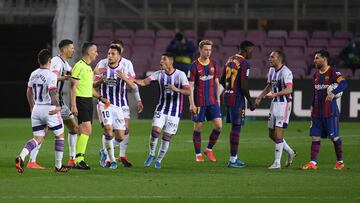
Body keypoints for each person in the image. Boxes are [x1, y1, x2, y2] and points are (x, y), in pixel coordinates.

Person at [26, 39, 79, 169]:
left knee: (73, 128)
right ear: (65, 49)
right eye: (71, 48)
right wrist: (65, 78)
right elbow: (52, 77)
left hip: (57, 101)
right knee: (46, 132)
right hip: (53, 102)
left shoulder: (64, 63)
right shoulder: (55, 62)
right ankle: (33, 161)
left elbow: (71, 73)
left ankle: (72, 159)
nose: (73, 50)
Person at [15, 49, 70, 173]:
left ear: (38, 61)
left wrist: (31, 106)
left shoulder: (33, 73)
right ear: (50, 60)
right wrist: (57, 106)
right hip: (49, 109)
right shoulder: (51, 75)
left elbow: (28, 91)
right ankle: (58, 166)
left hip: (37, 109)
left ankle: (21, 156)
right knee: (60, 136)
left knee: (38, 138)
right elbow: (52, 91)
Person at [134, 53, 190, 169]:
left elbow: (188, 92)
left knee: (166, 138)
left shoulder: (181, 75)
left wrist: (176, 89)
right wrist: (129, 79)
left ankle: (158, 160)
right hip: (161, 109)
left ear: (171, 61)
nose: (161, 61)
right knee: (155, 133)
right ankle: (151, 154)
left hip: (174, 113)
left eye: (164, 59)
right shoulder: (158, 74)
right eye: (160, 59)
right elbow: (144, 82)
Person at [94, 40, 143, 168]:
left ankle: (105, 151)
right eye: (108, 53)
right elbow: (92, 84)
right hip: (104, 104)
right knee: (108, 129)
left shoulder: (126, 65)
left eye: (113, 53)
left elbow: (133, 85)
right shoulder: (102, 65)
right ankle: (111, 160)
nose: (110, 56)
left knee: (121, 134)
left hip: (121, 104)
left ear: (120, 54)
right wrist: (100, 81)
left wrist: (124, 78)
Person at [302, 49, 348, 170]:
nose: (314, 60)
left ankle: (340, 162)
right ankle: (313, 162)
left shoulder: (333, 72)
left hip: (330, 112)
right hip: (317, 111)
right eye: (315, 58)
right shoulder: (316, 74)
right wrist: (312, 105)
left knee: (334, 137)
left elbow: (344, 84)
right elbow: (316, 91)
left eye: (317, 58)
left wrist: (333, 92)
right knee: (315, 136)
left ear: (324, 59)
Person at [70, 42, 109, 170]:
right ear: (88, 52)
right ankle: (79, 159)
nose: (97, 53)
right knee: (87, 130)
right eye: (95, 51)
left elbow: (89, 88)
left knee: (84, 131)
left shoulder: (88, 68)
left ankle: (77, 159)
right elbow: (73, 87)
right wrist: (74, 105)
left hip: (88, 101)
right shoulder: (79, 66)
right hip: (81, 101)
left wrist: (100, 98)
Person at [255, 50, 297, 169]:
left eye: (272, 57)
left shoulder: (286, 72)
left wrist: (274, 95)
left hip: (283, 104)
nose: (269, 59)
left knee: (278, 134)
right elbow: (269, 86)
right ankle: (290, 152)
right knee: (271, 134)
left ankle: (277, 163)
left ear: (279, 59)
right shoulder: (272, 71)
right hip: (274, 104)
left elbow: (289, 89)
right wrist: (260, 96)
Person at [220, 40, 256, 168]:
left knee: (235, 127)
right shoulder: (244, 63)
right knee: (236, 127)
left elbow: (221, 80)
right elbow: (244, 85)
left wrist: (229, 88)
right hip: (237, 99)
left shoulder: (230, 59)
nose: (252, 53)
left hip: (228, 96)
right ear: (246, 50)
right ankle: (232, 160)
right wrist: (251, 101)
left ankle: (234, 157)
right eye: (252, 51)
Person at [189, 40, 222, 162]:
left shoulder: (213, 64)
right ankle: (198, 154)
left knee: (219, 126)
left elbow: (217, 82)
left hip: (212, 101)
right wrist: (192, 103)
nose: (208, 52)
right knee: (198, 127)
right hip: (199, 102)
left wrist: (218, 99)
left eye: (210, 50)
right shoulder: (194, 66)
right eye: (206, 50)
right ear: (200, 50)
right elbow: (190, 86)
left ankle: (208, 149)